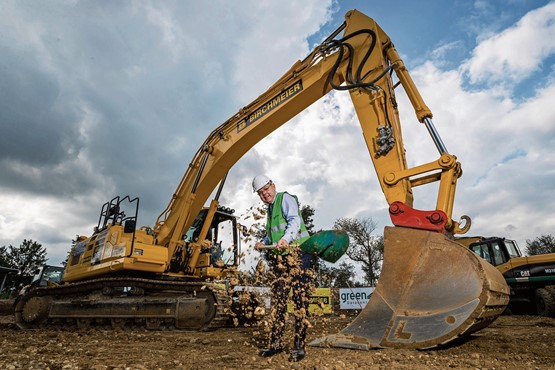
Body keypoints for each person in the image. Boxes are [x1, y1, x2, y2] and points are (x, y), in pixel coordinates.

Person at [252, 174, 314, 362]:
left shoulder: (285, 199)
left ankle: (299, 346)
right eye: (260, 193)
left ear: (273, 185)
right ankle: (276, 343)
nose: (264, 194)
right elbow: (273, 235)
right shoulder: (270, 210)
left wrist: (286, 239)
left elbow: (294, 221)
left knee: (299, 300)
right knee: (279, 301)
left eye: (266, 189)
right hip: (282, 258)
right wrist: (262, 242)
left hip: (299, 254)